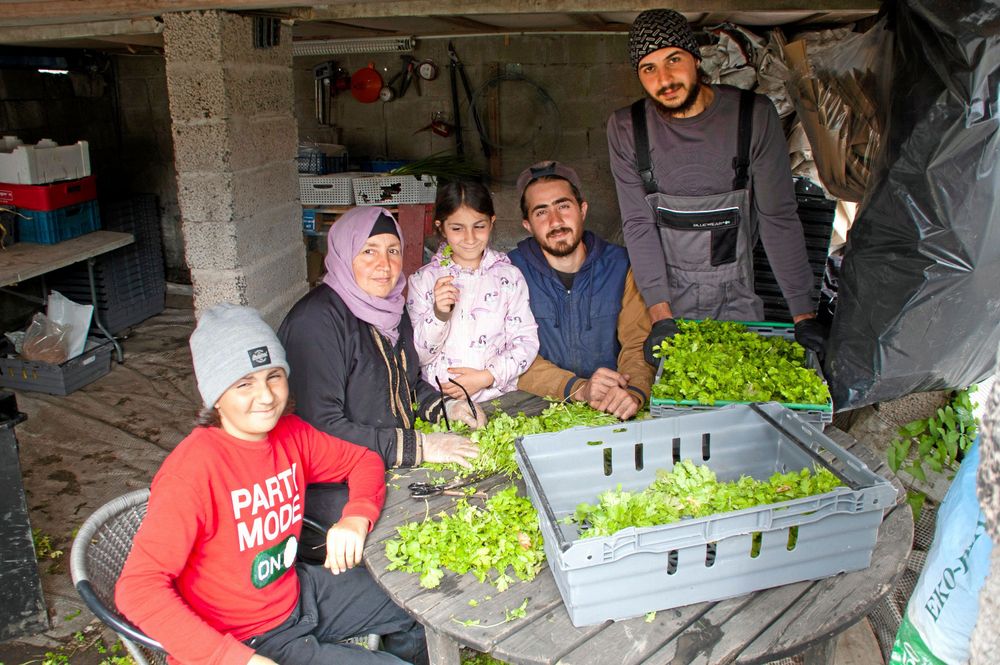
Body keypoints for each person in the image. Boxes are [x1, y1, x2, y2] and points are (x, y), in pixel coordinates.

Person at [116, 304, 428, 665]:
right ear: (216, 395)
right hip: (242, 639)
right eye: (244, 383)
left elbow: (363, 460)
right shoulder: (191, 472)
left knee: (415, 601)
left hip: (298, 594)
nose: (266, 397)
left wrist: (356, 516)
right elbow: (137, 589)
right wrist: (232, 659)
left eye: (274, 376)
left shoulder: (291, 435)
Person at [606, 8, 827, 365]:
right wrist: (660, 317)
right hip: (664, 298)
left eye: (673, 59)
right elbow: (638, 224)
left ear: (695, 58)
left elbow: (778, 217)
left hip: (737, 292)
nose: (664, 78)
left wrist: (803, 313)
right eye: (649, 68)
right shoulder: (626, 128)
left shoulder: (752, 116)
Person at [278, 207, 483, 528]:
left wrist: (449, 407)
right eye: (368, 251)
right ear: (345, 255)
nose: (384, 265)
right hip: (334, 488)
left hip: (390, 464)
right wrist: (422, 446)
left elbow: (408, 381)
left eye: (392, 251)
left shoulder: (389, 309)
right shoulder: (316, 322)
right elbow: (319, 428)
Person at [508, 160, 652, 420]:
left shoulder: (622, 265)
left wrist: (632, 392)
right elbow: (507, 355)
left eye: (563, 206)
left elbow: (637, 342)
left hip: (613, 405)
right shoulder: (507, 272)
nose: (556, 221)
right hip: (537, 410)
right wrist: (578, 388)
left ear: (582, 209)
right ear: (527, 224)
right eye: (541, 212)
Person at [406, 179, 539, 404]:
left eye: (479, 226)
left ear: (492, 222)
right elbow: (417, 356)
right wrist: (438, 315)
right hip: (441, 401)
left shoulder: (509, 277)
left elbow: (526, 341)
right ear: (441, 227)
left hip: (500, 400)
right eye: (457, 228)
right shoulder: (423, 280)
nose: (469, 238)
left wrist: (487, 377)